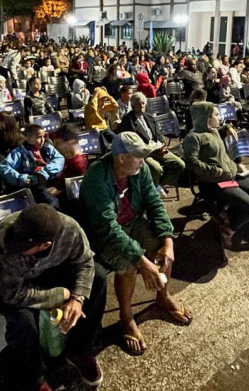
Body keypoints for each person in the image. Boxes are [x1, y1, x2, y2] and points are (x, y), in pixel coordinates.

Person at [80, 132, 192, 356]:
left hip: (132, 221)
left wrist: (168, 240)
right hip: (101, 234)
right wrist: (141, 261)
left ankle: (163, 296)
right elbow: (107, 228)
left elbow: (154, 203)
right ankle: (126, 316)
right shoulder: (96, 177)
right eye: (138, 156)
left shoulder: (140, 170)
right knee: (128, 263)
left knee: (162, 247)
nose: (143, 160)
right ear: (121, 158)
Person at [0, 203, 106, 390]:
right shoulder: (4, 239)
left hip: (50, 269)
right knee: (21, 319)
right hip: (15, 282)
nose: (15, 247)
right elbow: (13, 295)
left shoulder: (70, 229)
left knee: (98, 277)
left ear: (46, 244)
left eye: (23, 246)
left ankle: (80, 350)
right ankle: (36, 376)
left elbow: (85, 262)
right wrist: (61, 295)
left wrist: (77, 298)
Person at [183, 101, 249, 249]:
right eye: (216, 115)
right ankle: (227, 230)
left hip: (229, 176)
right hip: (212, 183)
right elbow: (191, 163)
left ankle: (227, 217)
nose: (219, 117)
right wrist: (216, 171)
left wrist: (227, 128)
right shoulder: (194, 137)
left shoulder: (213, 130)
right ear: (206, 118)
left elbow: (216, 136)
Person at [118, 92, 185, 192]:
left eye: (143, 103)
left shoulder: (149, 117)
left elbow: (158, 134)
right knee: (156, 169)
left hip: (157, 148)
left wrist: (162, 145)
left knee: (179, 164)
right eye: (138, 103)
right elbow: (131, 142)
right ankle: (151, 193)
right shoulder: (128, 121)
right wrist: (148, 149)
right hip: (144, 153)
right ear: (132, 105)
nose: (141, 106)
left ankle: (159, 187)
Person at [0, 124, 65, 209]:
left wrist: (46, 171)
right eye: (39, 137)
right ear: (29, 139)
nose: (42, 140)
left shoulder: (47, 147)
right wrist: (21, 178)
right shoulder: (19, 152)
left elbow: (60, 159)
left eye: (43, 136)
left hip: (51, 179)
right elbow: (3, 167)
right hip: (35, 184)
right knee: (51, 202)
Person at [84, 87, 118, 151]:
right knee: (105, 146)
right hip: (94, 129)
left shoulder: (104, 106)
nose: (104, 102)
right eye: (102, 100)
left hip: (104, 128)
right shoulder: (89, 107)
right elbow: (93, 108)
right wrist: (95, 95)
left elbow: (115, 105)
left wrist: (108, 95)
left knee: (116, 139)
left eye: (105, 100)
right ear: (97, 99)